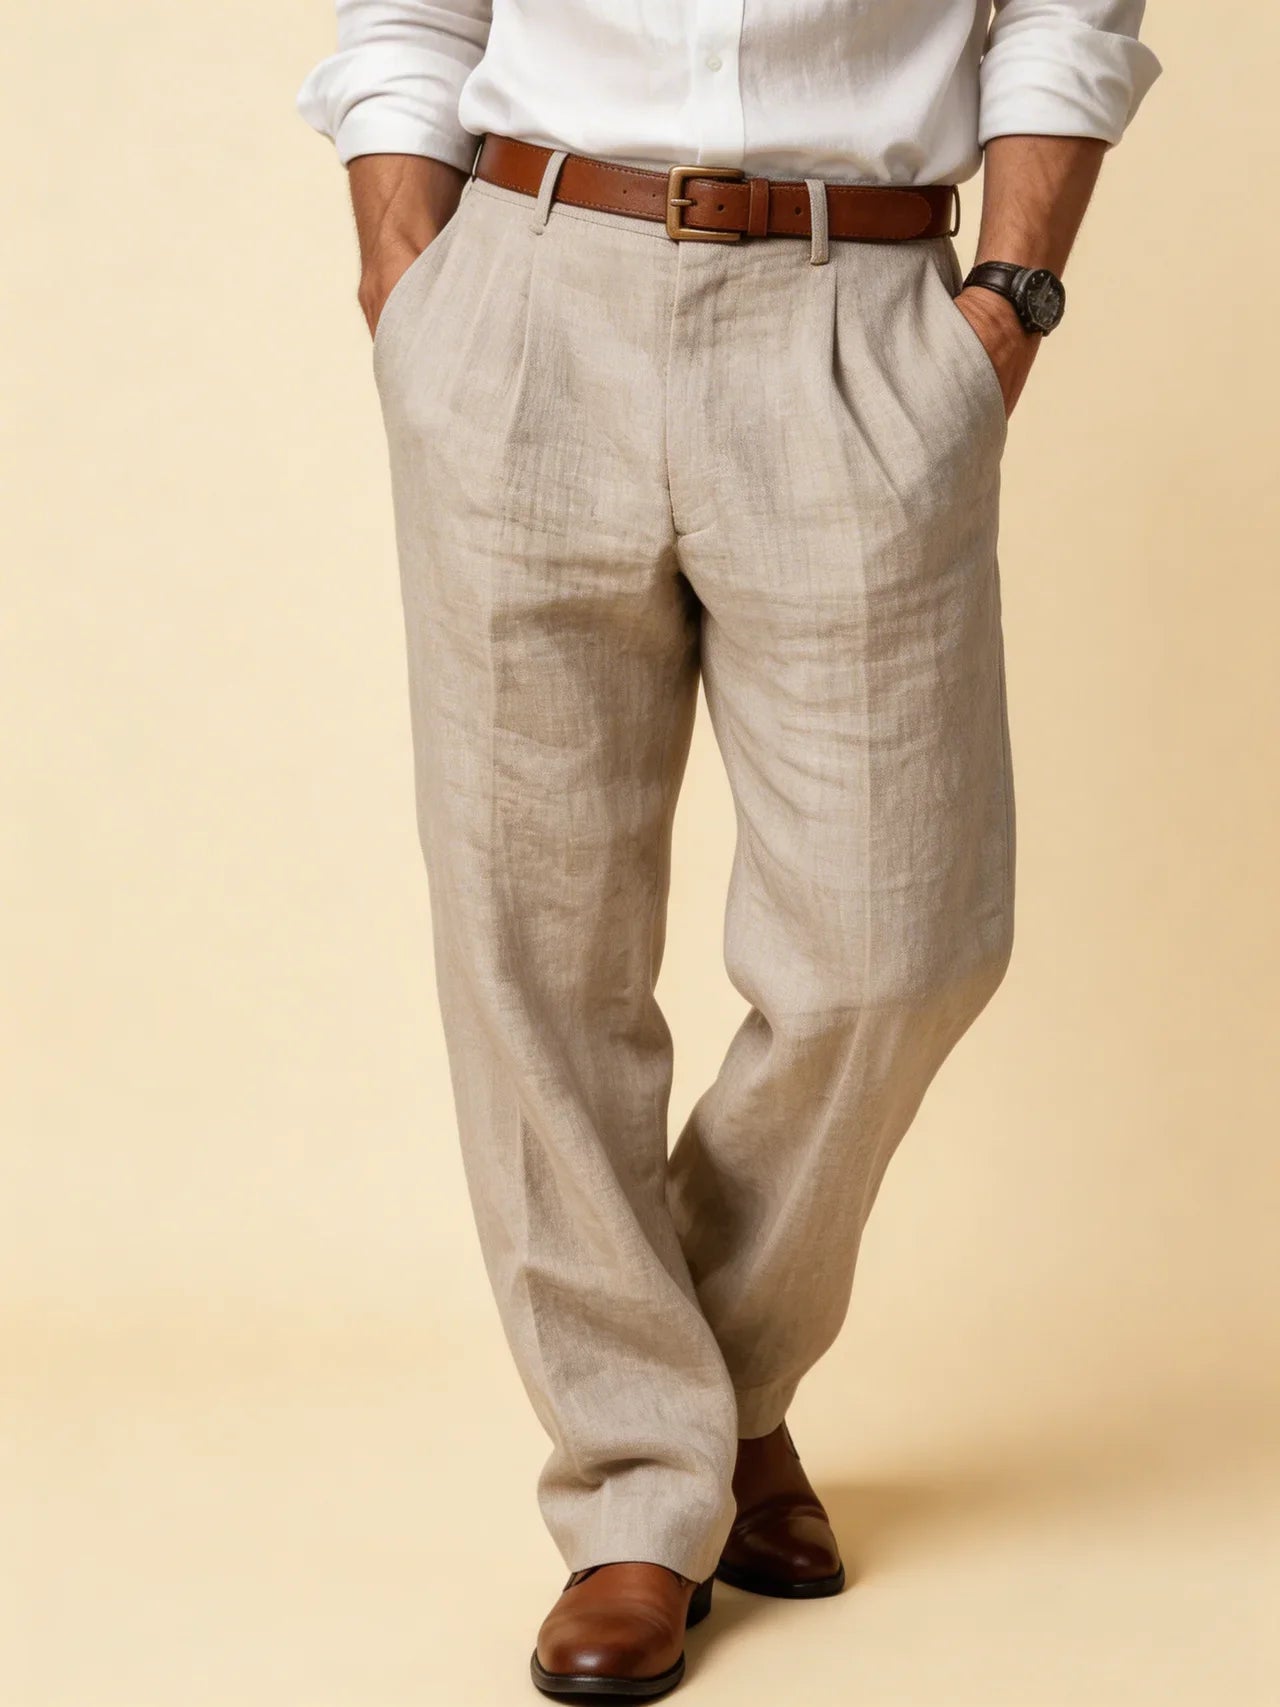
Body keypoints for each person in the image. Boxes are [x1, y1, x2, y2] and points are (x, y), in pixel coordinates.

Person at [296, 3, 1160, 1696]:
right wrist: (406, 284)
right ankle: (642, 1491)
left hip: (860, 311)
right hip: (525, 288)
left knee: (900, 945)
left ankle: (716, 1389)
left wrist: (1009, 300)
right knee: (532, 949)